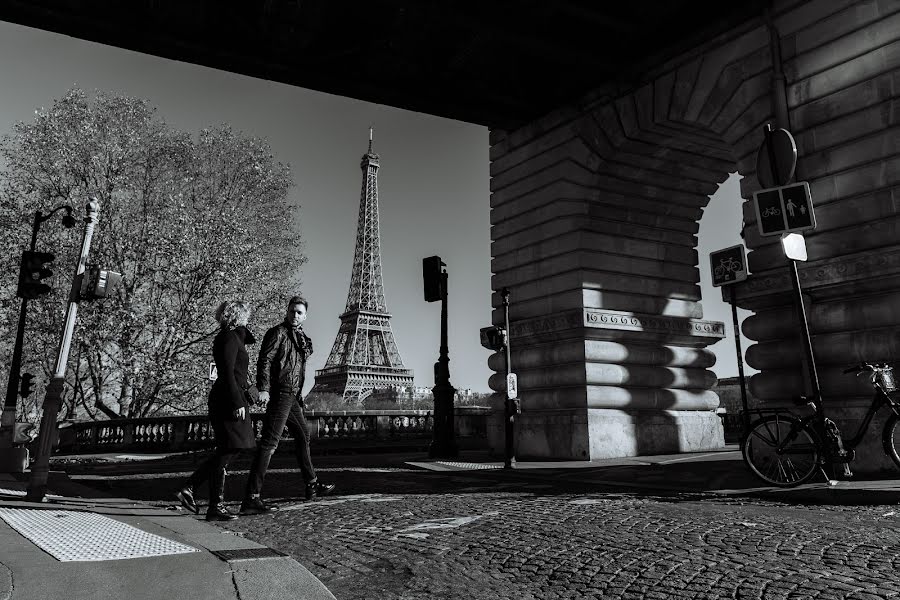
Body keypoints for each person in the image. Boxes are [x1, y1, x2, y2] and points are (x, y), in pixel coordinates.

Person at [240, 295, 334, 514]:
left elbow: (297, 370)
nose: (295, 314)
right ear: (287, 311)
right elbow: (265, 359)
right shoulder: (278, 333)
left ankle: (311, 485)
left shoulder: (300, 338)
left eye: (299, 312)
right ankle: (251, 497)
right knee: (269, 444)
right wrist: (263, 387)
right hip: (280, 393)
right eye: (292, 311)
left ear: (305, 316)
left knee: (303, 436)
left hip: (292, 396)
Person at [176, 301, 257, 521]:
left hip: (228, 397)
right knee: (231, 448)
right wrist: (237, 403)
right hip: (228, 400)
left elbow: (234, 374)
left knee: (228, 449)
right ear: (238, 316)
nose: (248, 319)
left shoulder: (231, 338)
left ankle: (213, 505)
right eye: (246, 315)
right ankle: (193, 490)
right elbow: (227, 373)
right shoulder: (229, 338)